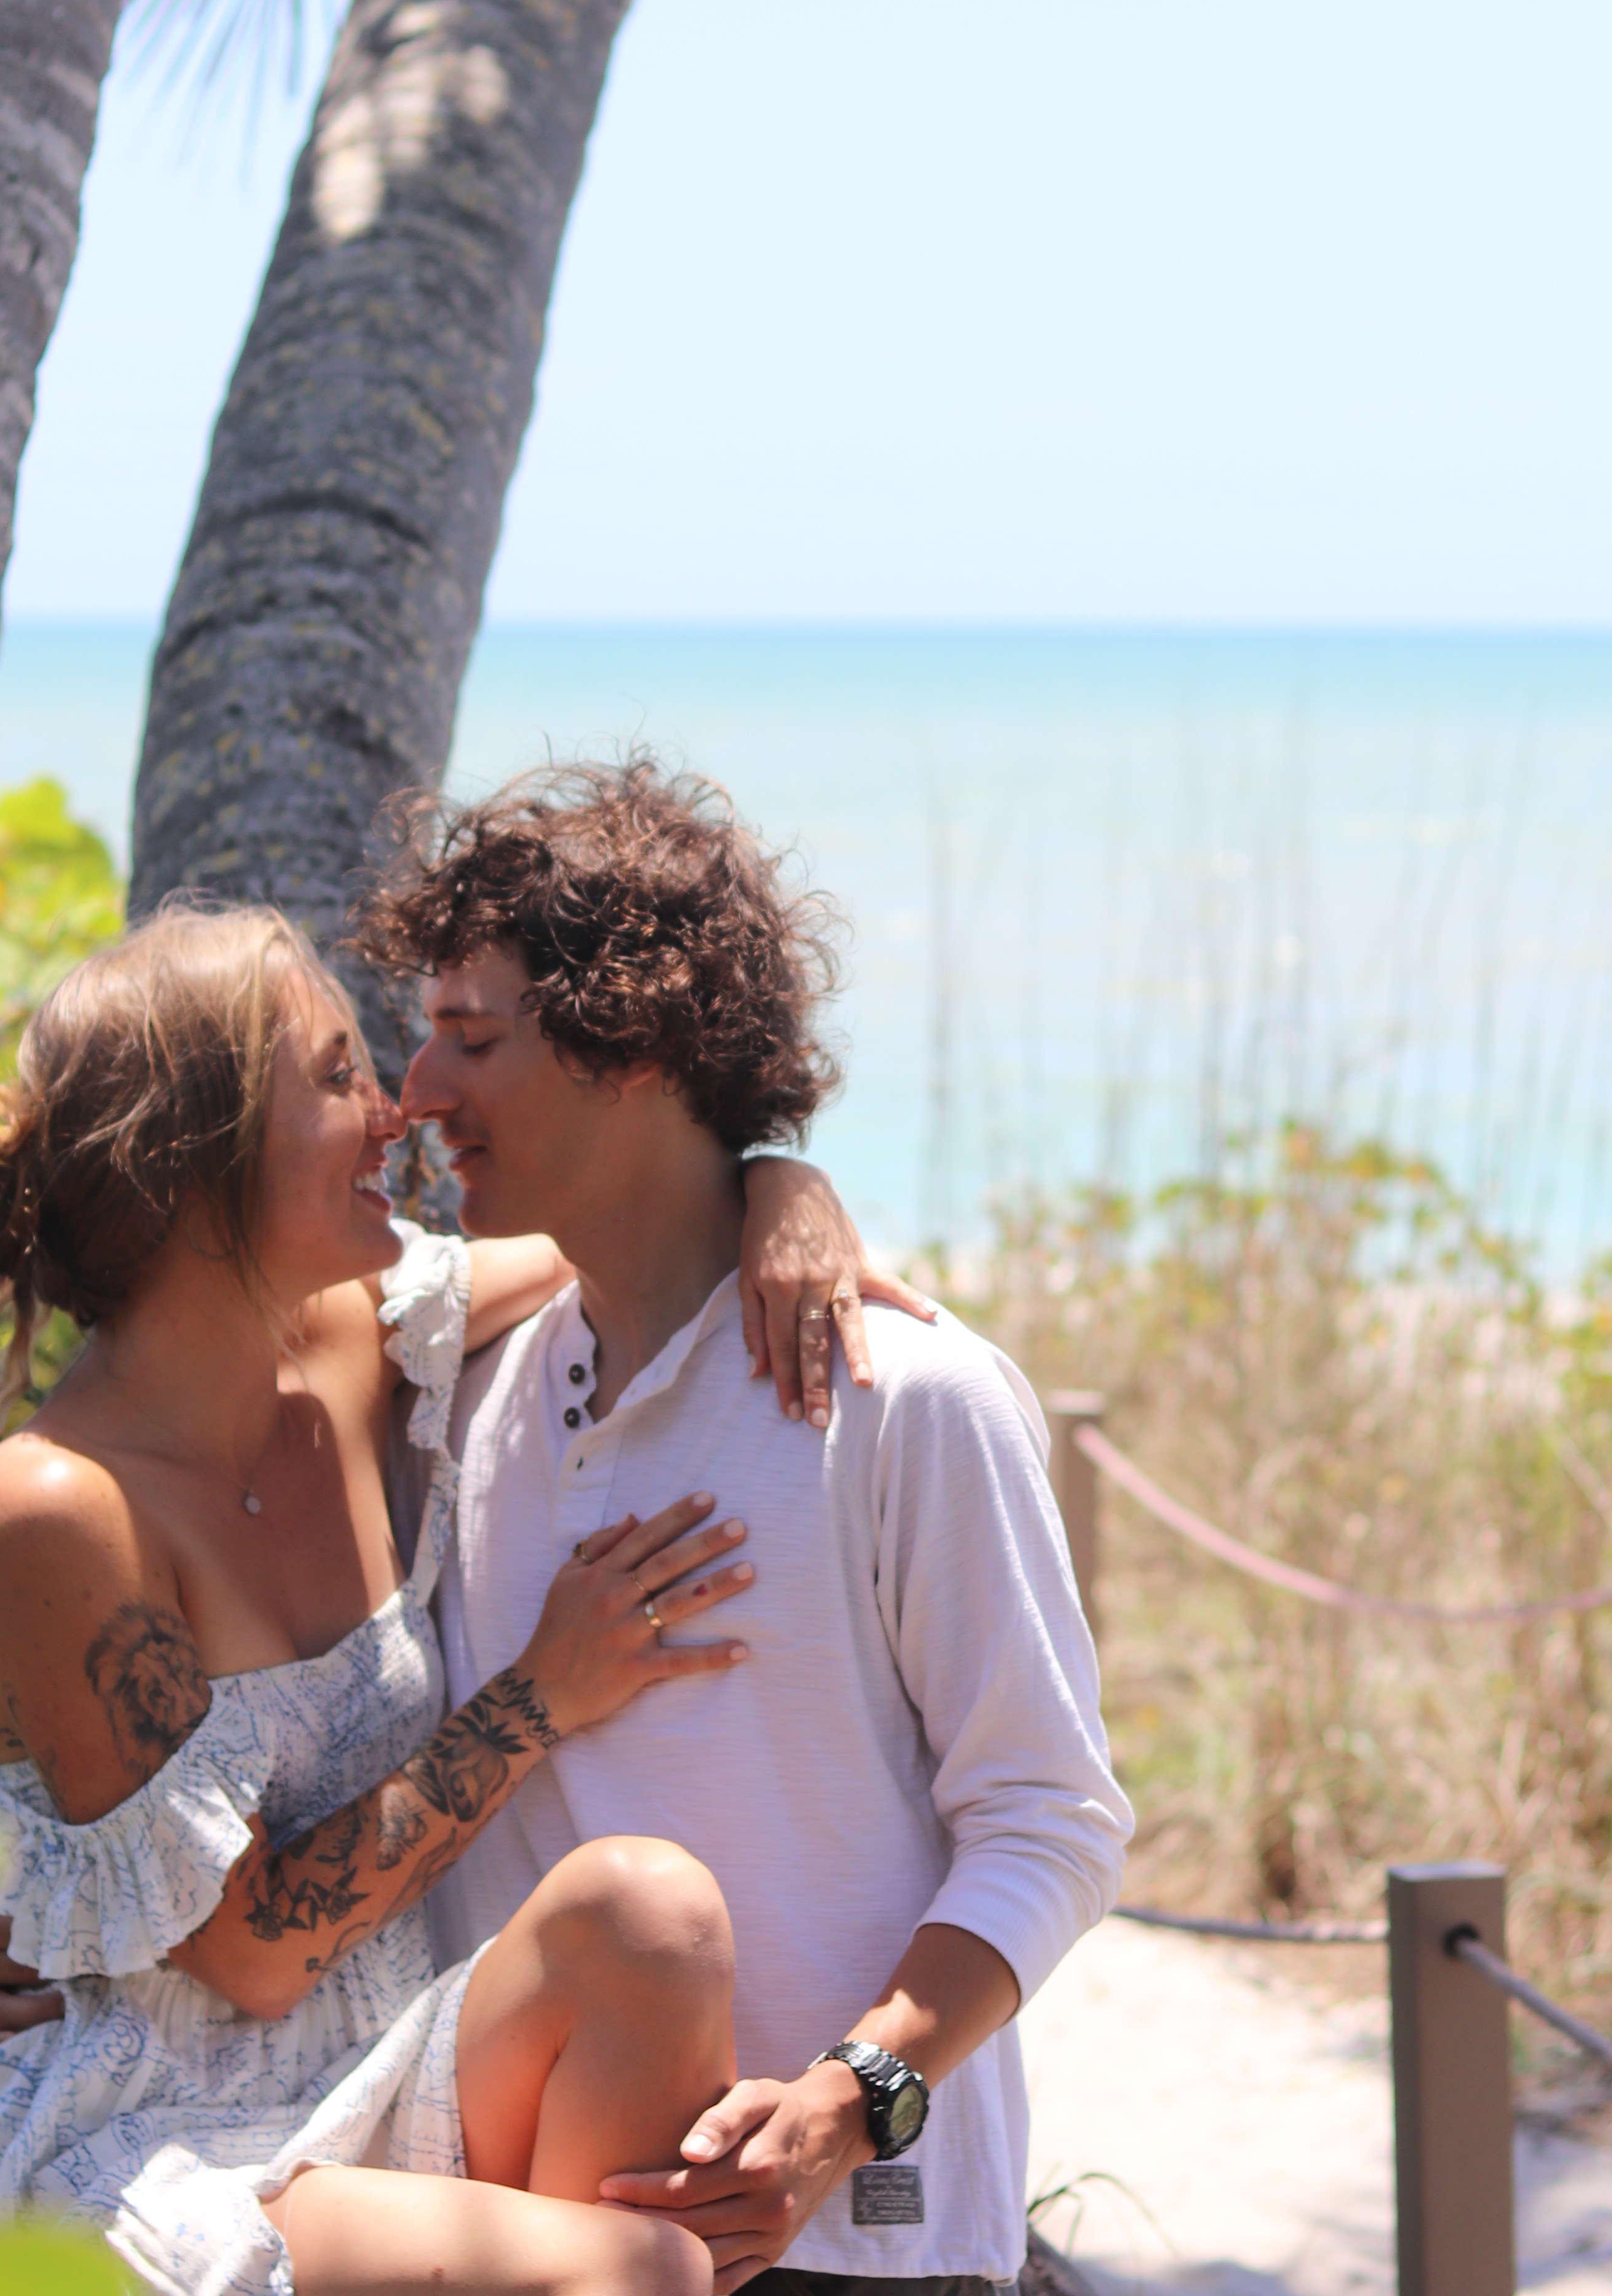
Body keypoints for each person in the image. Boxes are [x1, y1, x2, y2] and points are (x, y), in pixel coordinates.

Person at [0, 905, 918, 2296]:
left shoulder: (358, 1336)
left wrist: (780, 1186)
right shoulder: (52, 1505)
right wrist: (535, 1698)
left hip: (380, 2067)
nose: (391, 1113)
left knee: (648, 1916)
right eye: (331, 1077)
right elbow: (252, 1954)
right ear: (190, 1159)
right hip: (150, 2138)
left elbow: (618, 1222)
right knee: (644, 2268)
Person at [343, 760, 1134, 2296]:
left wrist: (849, 2108)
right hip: (537, 2244)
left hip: (859, 2253)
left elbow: (1051, 1827)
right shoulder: (462, 1391)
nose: (420, 1093)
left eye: (474, 1040)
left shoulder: (909, 1399)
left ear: (631, 1045)